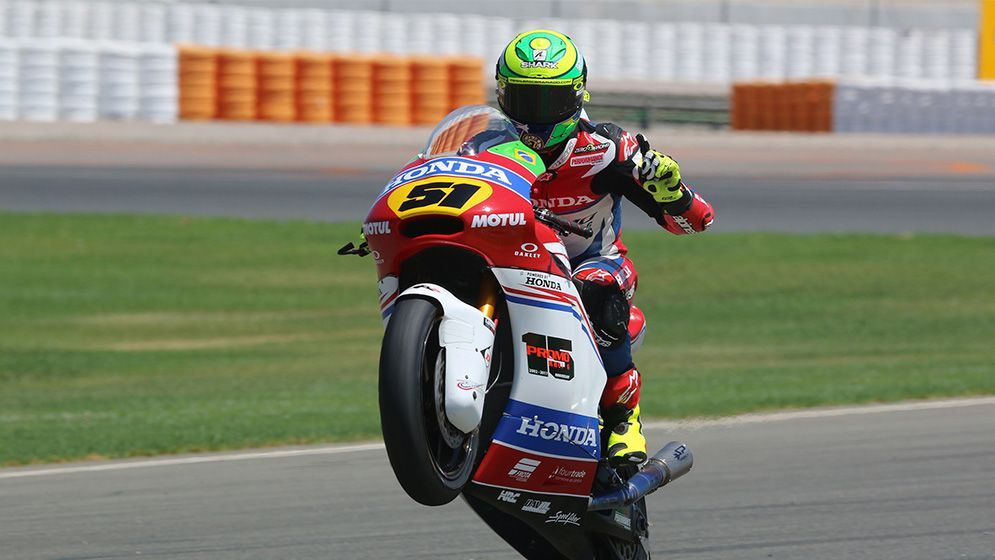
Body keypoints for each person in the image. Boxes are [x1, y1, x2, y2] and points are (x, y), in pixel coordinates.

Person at [495, 29, 715, 466]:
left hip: (591, 266)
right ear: (502, 95)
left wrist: (671, 191)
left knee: (593, 282)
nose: (537, 117)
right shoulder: (486, 144)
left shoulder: (609, 150)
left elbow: (696, 223)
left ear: (577, 98)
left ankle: (622, 418)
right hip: (510, 263)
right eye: (525, 101)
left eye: (550, 103)